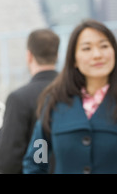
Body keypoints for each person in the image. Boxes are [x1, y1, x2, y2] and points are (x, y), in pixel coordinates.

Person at [23, 19, 117, 174]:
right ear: (74, 59)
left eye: (104, 46)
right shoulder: (54, 103)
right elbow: (37, 161)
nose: (97, 55)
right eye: (86, 48)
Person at [0, 28, 60, 173]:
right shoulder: (75, 93)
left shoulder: (19, 98)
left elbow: (8, 159)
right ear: (57, 55)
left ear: (29, 56)